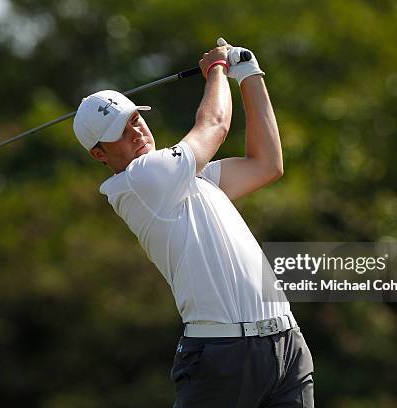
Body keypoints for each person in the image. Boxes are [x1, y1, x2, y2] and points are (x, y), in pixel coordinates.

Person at [72, 38, 314, 407]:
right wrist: (217, 69)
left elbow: (267, 164)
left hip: (286, 344)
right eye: (119, 132)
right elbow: (214, 124)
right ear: (99, 153)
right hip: (222, 356)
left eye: (135, 119)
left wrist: (249, 73)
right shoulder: (141, 180)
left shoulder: (189, 178)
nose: (137, 132)